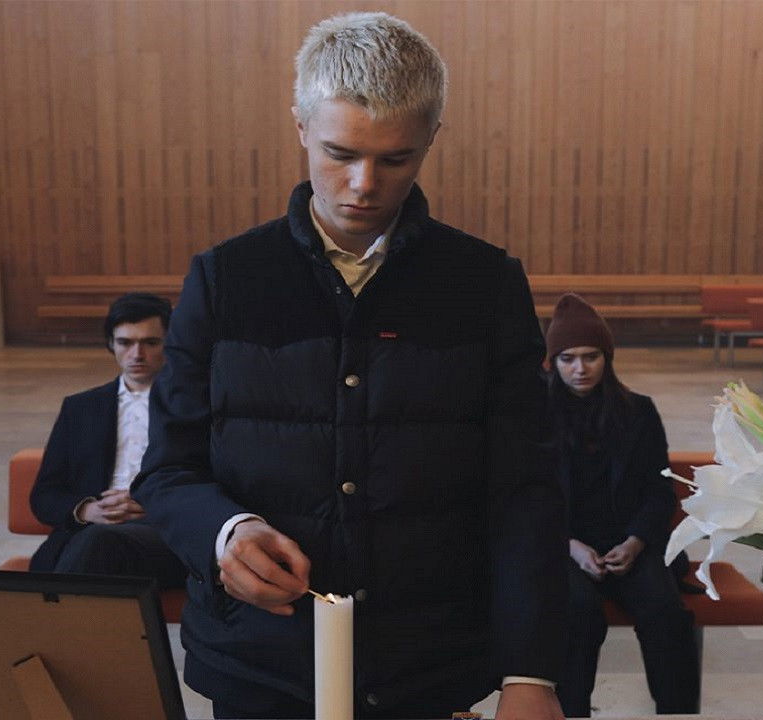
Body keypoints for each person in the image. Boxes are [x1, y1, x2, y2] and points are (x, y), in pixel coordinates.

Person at [134, 12, 566, 720]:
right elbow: (167, 470)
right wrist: (225, 533)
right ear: (301, 127)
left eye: (396, 160)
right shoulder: (226, 279)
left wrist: (531, 672)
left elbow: (526, 488)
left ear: (431, 139)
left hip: (427, 661)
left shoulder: (483, 285)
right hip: (261, 660)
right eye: (341, 153)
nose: (364, 184)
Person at [543, 293, 700, 717]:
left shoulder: (638, 411)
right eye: (567, 359)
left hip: (628, 543)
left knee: (665, 614)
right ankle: (571, 712)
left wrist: (635, 542)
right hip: (561, 546)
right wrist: (570, 546)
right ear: (553, 362)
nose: (580, 368)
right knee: (578, 613)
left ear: (607, 358)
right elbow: (525, 499)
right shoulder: (534, 417)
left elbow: (659, 491)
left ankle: (677, 712)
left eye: (590, 357)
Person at [27, 292, 185, 586]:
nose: (137, 355)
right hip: (91, 534)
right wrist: (87, 510)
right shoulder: (80, 408)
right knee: (93, 543)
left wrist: (152, 503)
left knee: (98, 544)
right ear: (111, 344)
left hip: (165, 534)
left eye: (151, 343)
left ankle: (51, 612)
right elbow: (44, 497)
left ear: (170, 343)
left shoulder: (195, 406)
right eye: (125, 343)